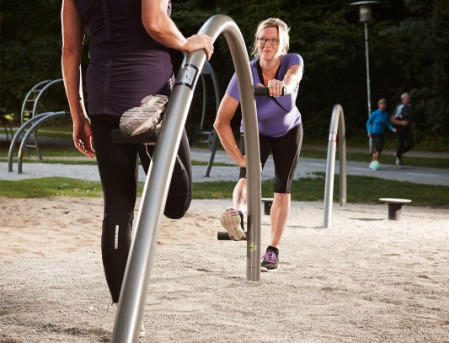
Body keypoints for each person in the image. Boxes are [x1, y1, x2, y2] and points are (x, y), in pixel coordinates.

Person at [61, 0, 213, 337]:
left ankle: (124, 313)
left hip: (102, 98)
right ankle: (154, 143)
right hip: (148, 91)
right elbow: (155, 22)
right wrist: (189, 42)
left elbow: (70, 51)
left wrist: (77, 115)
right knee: (176, 203)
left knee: (117, 206)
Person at [213, 18, 304, 272]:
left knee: (281, 188)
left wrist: (282, 85)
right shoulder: (244, 73)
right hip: (256, 131)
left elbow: (293, 77)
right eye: (263, 39)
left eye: (274, 39)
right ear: (256, 43)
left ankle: (272, 250)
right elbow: (221, 122)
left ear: (282, 44)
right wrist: (239, 159)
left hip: (288, 130)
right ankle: (237, 215)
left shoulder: (291, 60)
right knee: (247, 173)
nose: (268, 44)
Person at [366, 98, 396, 170]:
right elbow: (368, 122)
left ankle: (372, 162)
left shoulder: (385, 114)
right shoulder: (375, 113)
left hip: (381, 133)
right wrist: (369, 131)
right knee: (380, 146)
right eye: (381, 104)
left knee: (378, 149)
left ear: (385, 106)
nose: (382, 106)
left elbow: (388, 124)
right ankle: (374, 161)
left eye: (384, 104)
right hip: (374, 132)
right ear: (378, 105)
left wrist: (392, 129)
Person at [391, 92, 415, 168]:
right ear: (402, 100)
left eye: (409, 98)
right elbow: (392, 119)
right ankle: (398, 161)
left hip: (407, 129)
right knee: (401, 145)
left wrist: (411, 123)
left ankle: (399, 153)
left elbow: (407, 118)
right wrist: (401, 122)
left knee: (411, 144)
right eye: (407, 99)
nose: (409, 100)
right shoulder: (399, 107)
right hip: (400, 128)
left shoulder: (409, 106)